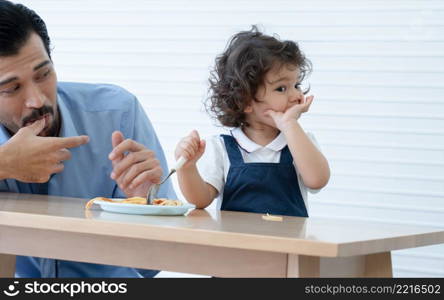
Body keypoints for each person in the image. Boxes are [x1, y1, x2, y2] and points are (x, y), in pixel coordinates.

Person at [0, 0, 176, 277]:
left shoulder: (117, 113)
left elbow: (156, 263)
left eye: (43, 74)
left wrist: (146, 212)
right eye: (11, 88)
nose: (37, 100)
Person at [175, 26, 330, 217]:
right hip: (235, 245)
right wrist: (187, 168)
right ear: (245, 100)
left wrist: (290, 125)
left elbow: (317, 180)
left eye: (296, 85)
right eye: (282, 88)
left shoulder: (300, 143)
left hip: (289, 246)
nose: (296, 95)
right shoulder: (222, 147)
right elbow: (200, 200)